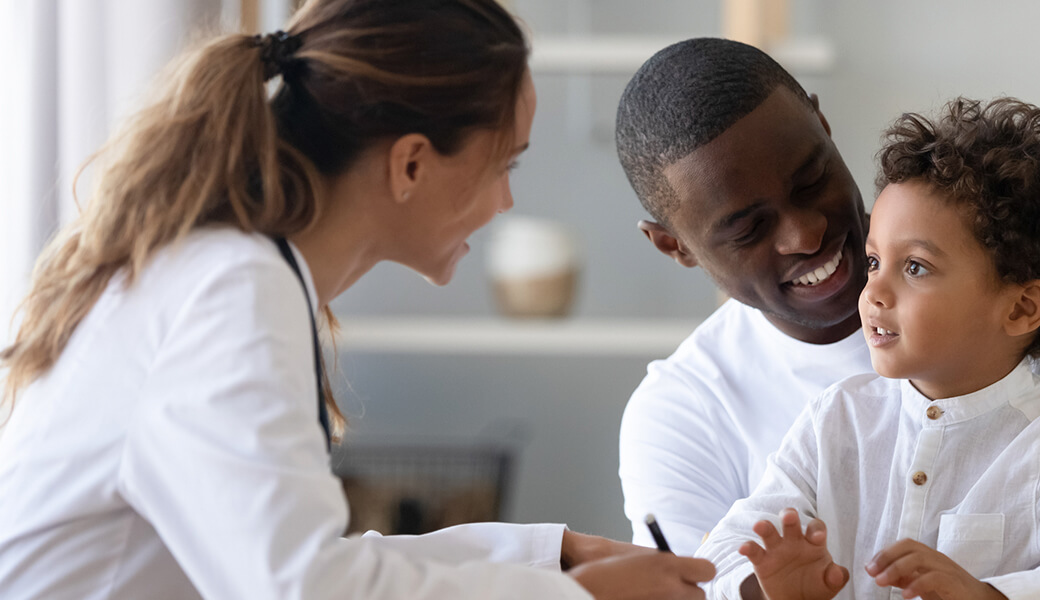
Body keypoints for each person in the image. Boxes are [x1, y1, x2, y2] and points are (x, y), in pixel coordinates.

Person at [0, 1, 714, 598]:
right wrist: (578, 594)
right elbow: (305, 588)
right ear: (410, 163)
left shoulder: (226, 271)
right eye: (505, 164)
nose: (506, 201)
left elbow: (309, 560)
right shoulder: (230, 291)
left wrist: (547, 557)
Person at [615, 37, 1040, 557]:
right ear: (675, 246)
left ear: (824, 126)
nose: (807, 234)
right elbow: (711, 576)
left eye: (812, 180)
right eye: (749, 230)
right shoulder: (691, 415)